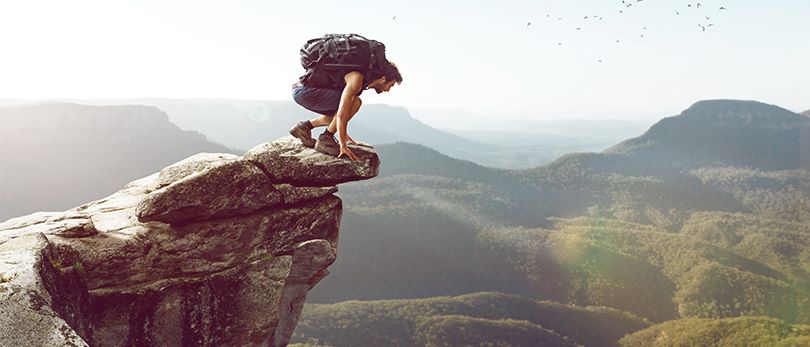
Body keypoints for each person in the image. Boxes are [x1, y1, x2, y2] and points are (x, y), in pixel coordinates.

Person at [289, 60, 402, 160]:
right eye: (390, 85)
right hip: (305, 92)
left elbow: (340, 114)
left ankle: (303, 127)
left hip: (302, 90)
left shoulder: (363, 80)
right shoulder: (357, 78)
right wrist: (343, 144)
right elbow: (342, 113)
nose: (388, 90)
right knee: (355, 103)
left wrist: (344, 134)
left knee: (348, 107)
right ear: (383, 79)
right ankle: (326, 139)